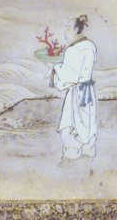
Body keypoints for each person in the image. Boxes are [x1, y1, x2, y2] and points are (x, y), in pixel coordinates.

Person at [50, 14, 97, 165]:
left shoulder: (74, 50)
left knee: (70, 123)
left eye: (68, 28)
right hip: (88, 90)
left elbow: (70, 76)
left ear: (77, 29)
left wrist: (55, 69)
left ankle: (70, 156)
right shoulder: (90, 46)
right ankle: (89, 152)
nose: (66, 32)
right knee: (87, 121)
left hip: (77, 91)